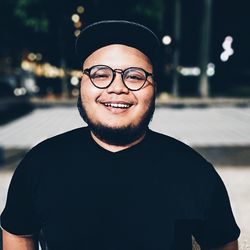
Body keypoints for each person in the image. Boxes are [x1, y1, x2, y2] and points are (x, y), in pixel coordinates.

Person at [1, 20, 240, 250]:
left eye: (134, 76)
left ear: (153, 90)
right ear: (81, 85)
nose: (117, 87)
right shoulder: (39, 164)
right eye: (100, 74)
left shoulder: (194, 172)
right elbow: (19, 232)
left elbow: (222, 243)